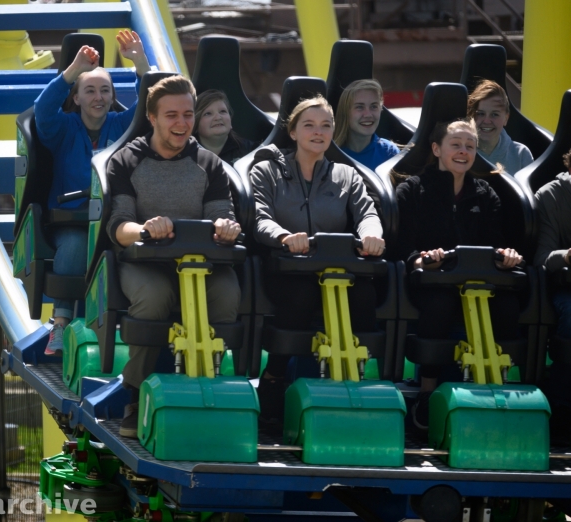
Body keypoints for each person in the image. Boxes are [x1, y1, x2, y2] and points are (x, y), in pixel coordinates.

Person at [106, 75, 243, 438]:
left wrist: (226, 228)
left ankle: (207, 387)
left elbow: (222, 215)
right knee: (154, 297)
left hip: (199, 264)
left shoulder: (208, 163)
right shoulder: (126, 161)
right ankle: (135, 395)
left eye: (186, 114)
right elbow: (119, 226)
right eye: (171, 115)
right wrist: (145, 229)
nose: (181, 123)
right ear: (152, 118)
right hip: (145, 263)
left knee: (227, 293)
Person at [250, 96, 385, 423]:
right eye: (309, 125)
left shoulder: (345, 174)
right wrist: (284, 236)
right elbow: (259, 217)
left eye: (326, 125)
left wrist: (371, 233)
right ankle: (274, 378)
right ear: (293, 132)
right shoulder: (267, 170)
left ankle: (354, 380)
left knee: (365, 296)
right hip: (288, 270)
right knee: (302, 297)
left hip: (335, 270)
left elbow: (367, 212)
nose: (318, 132)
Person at [394, 118, 523, 431]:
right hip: (431, 281)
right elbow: (403, 246)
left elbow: (497, 242)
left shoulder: (485, 193)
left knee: (507, 307)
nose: (463, 151)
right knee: (440, 305)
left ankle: (502, 388)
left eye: (470, 146)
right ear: (437, 149)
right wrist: (421, 260)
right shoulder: (412, 189)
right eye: (456, 145)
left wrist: (507, 257)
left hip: (476, 281)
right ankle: (427, 393)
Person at [34, 31, 150, 355]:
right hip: (71, 221)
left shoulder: (122, 126)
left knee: (126, 254)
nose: (98, 97)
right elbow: (42, 110)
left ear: (112, 96)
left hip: (113, 219)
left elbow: (151, 105)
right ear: (77, 98)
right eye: (89, 91)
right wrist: (72, 70)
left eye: (104, 90)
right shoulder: (63, 129)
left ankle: (120, 324)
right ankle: (61, 322)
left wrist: (140, 62)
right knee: (74, 248)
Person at [534, 148, 571, 443]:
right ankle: (561, 406)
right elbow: (542, 258)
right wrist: (568, 256)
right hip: (565, 285)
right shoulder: (552, 196)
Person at [467, 79, 533, 174]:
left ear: (506, 118)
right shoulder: (462, 152)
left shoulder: (521, 154)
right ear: (471, 116)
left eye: (494, 114)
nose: (487, 121)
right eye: (481, 114)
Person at [334, 79, 400, 170]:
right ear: (345, 112)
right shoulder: (329, 154)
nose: (368, 114)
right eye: (360, 107)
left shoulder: (389, 152)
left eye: (374, 106)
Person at [193, 90, 256, 164]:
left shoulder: (251, 151)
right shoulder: (186, 155)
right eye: (208, 114)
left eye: (222, 111)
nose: (218, 117)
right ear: (195, 124)